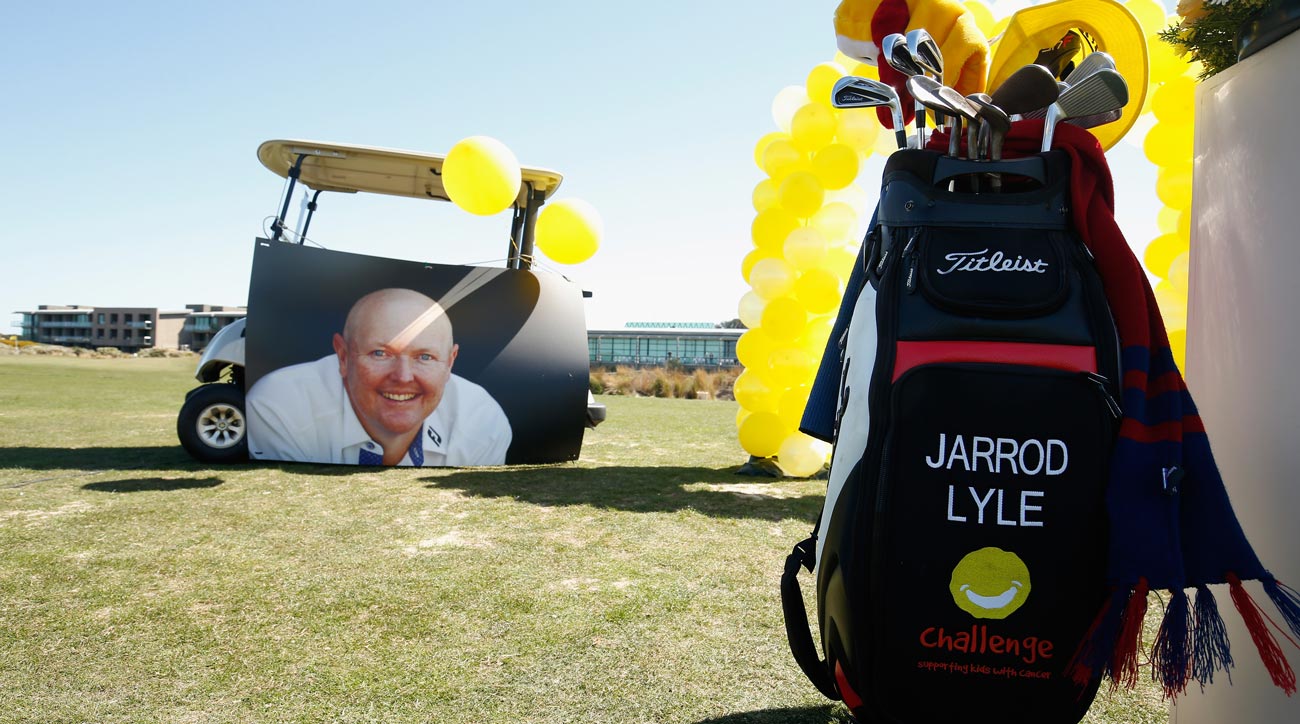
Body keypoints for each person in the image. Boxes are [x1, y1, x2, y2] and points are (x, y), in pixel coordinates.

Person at [247, 288, 511, 466]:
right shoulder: (282, 406)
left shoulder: (482, 422)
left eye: (425, 357)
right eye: (380, 353)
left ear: (450, 362)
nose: (403, 377)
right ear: (343, 357)